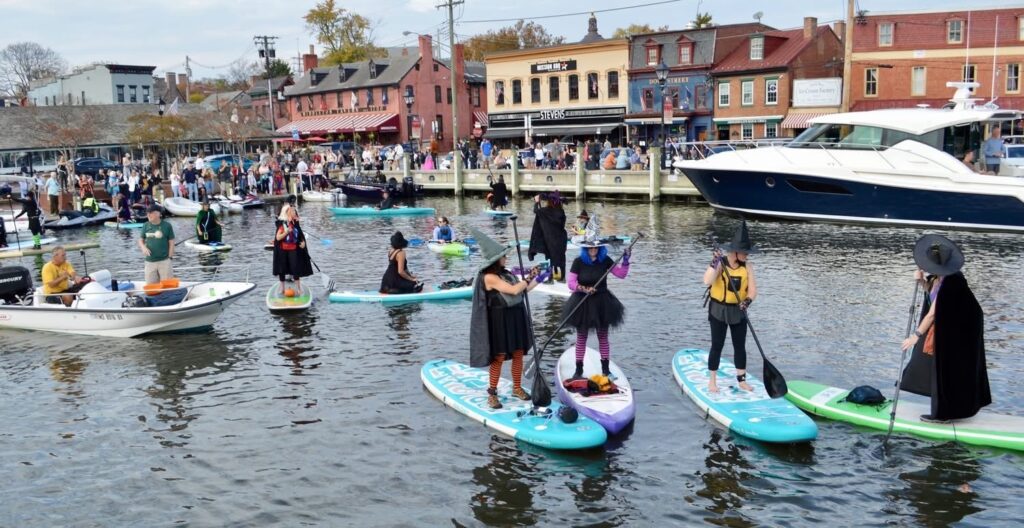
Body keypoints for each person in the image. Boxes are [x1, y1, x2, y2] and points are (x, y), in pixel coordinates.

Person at [900, 234, 991, 422]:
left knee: (949, 366)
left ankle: (943, 414)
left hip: (962, 330)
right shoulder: (937, 277)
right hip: (950, 327)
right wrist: (922, 282)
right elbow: (932, 296)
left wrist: (916, 336)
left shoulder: (953, 280)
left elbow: (933, 312)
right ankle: (946, 409)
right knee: (939, 365)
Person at [469, 229, 549, 409]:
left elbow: (523, 290)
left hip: (515, 317)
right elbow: (513, 290)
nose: (506, 258)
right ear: (496, 259)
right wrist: (530, 276)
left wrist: (539, 278)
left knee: (518, 353)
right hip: (499, 321)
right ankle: (492, 394)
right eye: (503, 256)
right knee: (498, 357)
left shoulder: (506, 274)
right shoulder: (489, 277)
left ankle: (517, 388)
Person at [563, 221, 630, 379]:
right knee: (582, 337)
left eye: (596, 248)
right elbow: (571, 283)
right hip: (583, 301)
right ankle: (578, 370)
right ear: (585, 248)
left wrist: (626, 260)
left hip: (602, 302)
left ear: (600, 248)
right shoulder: (578, 262)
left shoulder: (605, 260)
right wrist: (584, 288)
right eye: (590, 248)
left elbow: (621, 274)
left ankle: (606, 370)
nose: (593, 250)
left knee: (603, 337)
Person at [702, 220, 758, 393]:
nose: (747, 255)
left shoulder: (747, 267)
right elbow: (707, 281)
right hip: (718, 310)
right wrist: (714, 262)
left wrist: (747, 302)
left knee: (739, 346)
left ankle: (742, 381)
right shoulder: (720, 263)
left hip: (738, 311)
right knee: (717, 345)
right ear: (736, 252)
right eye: (745, 252)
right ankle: (712, 381)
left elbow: (753, 291)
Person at [528, 191, 568, 281]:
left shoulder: (545, 211)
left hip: (551, 239)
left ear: (549, 201)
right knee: (561, 257)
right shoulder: (561, 211)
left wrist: (537, 202)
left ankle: (550, 278)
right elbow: (562, 225)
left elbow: (536, 211)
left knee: (552, 257)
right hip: (562, 237)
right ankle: (563, 278)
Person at [272, 216, 313, 294]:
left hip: (293, 249)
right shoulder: (282, 225)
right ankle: (282, 288)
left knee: (295, 267)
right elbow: (278, 238)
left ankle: (298, 288)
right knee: (282, 268)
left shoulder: (296, 224)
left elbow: (300, 236)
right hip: (283, 249)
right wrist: (287, 232)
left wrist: (303, 243)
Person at [138, 204, 175, 285]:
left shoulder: (167, 226)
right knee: (151, 286)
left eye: (151, 213)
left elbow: (171, 242)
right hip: (150, 262)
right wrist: (143, 247)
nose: (148, 215)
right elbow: (140, 240)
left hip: (165, 261)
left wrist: (170, 257)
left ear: (158, 214)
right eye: (147, 213)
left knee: (167, 286)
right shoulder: (145, 225)